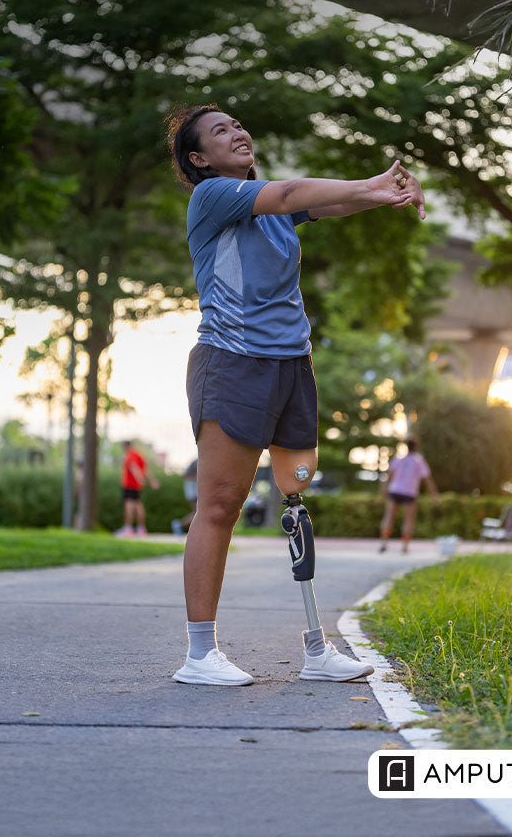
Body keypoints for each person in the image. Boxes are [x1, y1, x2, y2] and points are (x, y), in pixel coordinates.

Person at [165, 103, 427, 686]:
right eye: (220, 131)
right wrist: (372, 181)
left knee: (295, 499)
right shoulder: (212, 197)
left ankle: (316, 649)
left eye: (238, 123)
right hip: (232, 365)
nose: (237, 132)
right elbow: (289, 194)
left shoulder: (271, 206)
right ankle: (200, 654)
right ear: (198, 158)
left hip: (291, 367)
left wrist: (385, 195)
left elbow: (319, 203)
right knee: (220, 505)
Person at [378, 438, 439, 553]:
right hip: (409, 493)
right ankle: (405, 546)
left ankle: (384, 543)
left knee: (388, 518)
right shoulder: (419, 461)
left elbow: (387, 476)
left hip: (394, 491)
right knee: (408, 520)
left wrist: (382, 491)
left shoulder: (398, 459)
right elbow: (428, 480)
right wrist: (434, 495)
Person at [115, 440, 160, 538]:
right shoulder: (139, 455)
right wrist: (152, 481)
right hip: (136, 487)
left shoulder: (130, 455)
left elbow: (134, 467)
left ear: (126, 446)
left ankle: (128, 529)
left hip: (129, 485)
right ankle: (141, 529)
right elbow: (146, 470)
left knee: (129, 506)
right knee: (138, 506)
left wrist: (139, 478)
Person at [171, 459, 198, 536]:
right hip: (193, 493)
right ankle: (179, 524)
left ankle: (179, 524)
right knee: (198, 513)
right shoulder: (196, 462)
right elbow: (185, 475)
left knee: (197, 513)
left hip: (197, 492)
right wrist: (198, 477)